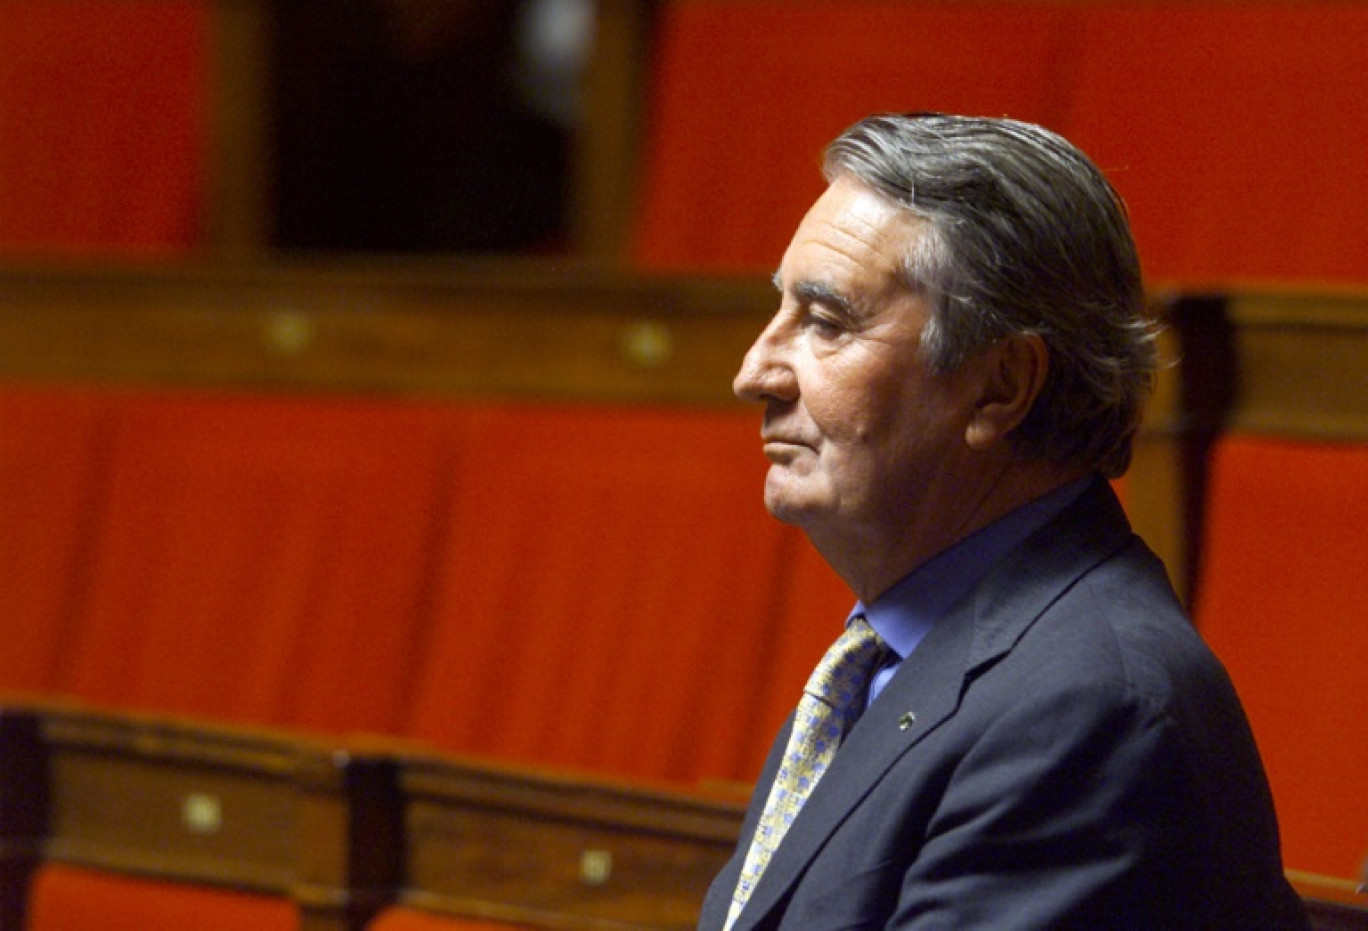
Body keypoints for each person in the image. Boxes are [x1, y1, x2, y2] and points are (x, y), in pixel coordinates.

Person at [698, 113, 1307, 930]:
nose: (755, 372)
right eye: (780, 312)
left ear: (1001, 384)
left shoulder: (1087, 711)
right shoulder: (887, 662)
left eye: (827, 321)